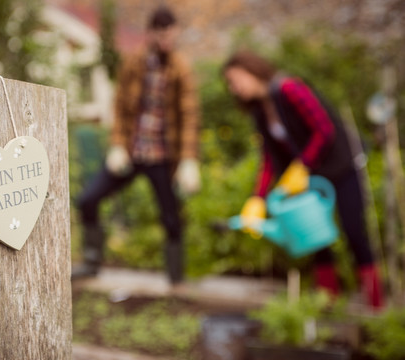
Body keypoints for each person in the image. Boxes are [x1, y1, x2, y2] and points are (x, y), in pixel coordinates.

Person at [221, 50, 384, 309]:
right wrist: (257, 198)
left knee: (354, 231)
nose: (234, 88)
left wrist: (301, 166)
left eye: (235, 79)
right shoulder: (260, 112)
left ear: (251, 70)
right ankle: (328, 303)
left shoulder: (289, 88)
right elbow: (269, 159)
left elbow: (324, 129)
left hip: (342, 166)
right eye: (230, 83)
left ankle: (376, 305)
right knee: (315, 237)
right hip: (312, 176)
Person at [73, 6, 201, 285]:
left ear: (175, 32)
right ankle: (92, 263)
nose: (165, 37)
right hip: (132, 154)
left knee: (171, 218)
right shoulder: (135, 63)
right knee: (87, 200)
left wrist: (189, 160)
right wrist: (117, 145)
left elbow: (189, 114)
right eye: (160, 31)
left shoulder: (181, 68)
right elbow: (120, 106)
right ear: (152, 32)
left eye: (170, 31)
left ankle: (175, 280)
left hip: (163, 158)